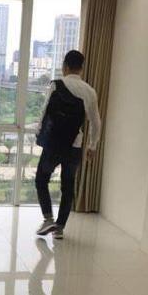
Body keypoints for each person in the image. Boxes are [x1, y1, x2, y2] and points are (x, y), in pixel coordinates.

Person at [35, 50, 101, 239]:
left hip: (54, 144)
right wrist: (92, 146)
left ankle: (48, 218)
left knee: (41, 179)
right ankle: (59, 228)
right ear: (82, 68)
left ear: (65, 66)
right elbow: (96, 122)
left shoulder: (56, 85)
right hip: (75, 146)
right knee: (68, 186)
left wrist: (39, 133)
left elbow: (45, 112)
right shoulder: (89, 91)